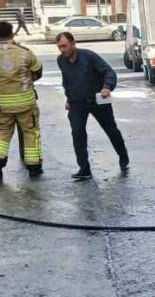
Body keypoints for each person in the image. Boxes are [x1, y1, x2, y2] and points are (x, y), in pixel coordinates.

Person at [56, 32, 129, 180]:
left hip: (98, 98)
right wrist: (68, 99)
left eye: (64, 46)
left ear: (73, 43)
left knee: (111, 129)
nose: (62, 50)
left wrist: (107, 87)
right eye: (59, 47)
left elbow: (109, 72)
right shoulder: (61, 60)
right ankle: (84, 169)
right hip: (77, 102)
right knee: (77, 133)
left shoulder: (89, 56)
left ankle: (123, 156)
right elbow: (67, 80)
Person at [0, 22, 43, 183]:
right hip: (26, 103)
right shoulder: (25, 53)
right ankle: (33, 167)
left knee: (2, 133)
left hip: (2, 104)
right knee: (30, 132)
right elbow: (38, 72)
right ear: (12, 34)